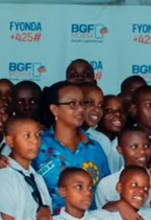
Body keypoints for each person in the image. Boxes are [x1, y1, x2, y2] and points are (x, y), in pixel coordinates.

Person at [35, 82, 110, 212]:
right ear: (55, 109)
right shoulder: (37, 146)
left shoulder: (94, 148)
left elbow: (106, 191)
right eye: (72, 104)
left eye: (82, 103)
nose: (80, 109)